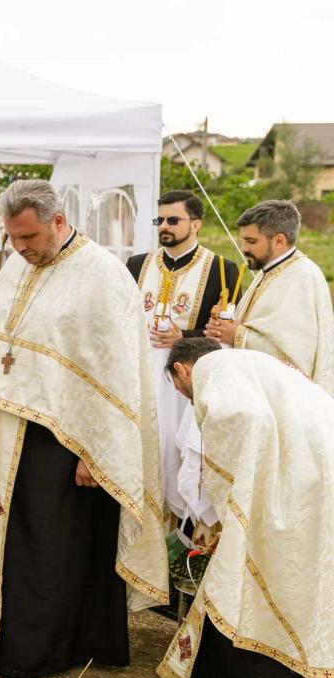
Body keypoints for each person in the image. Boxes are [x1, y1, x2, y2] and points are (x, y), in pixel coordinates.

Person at [0, 179, 168, 678]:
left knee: (44, 543)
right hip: (4, 428)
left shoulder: (103, 276)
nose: (20, 249)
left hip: (64, 440)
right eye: (14, 239)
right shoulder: (21, 264)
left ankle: (38, 650)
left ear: (59, 223)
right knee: (5, 536)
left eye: (29, 238)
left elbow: (113, 375)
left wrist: (96, 453)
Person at [157, 338, 334, 678]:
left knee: (274, 570)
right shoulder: (251, 362)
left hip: (302, 480)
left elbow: (246, 419)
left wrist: (233, 508)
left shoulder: (213, 371)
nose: (186, 398)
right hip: (316, 467)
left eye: (179, 389)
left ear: (182, 370)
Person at [126, 190, 239, 574]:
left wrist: (183, 337)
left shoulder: (223, 269)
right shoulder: (136, 264)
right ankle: (135, 554)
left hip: (185, 387)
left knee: (180, 463)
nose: (165, 227)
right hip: (141, 380)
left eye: (173, 220)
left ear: (195, 224)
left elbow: (221, 337)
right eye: (160, 221)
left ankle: (175, 560)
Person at [204, 199, 333, 393]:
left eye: (251, 241)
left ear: (279, 241)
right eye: (243, 240)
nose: (243, 248)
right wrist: (224, 326)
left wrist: (236, 334)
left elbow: (297, 354)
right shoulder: (269, 270)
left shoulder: (303, 277)